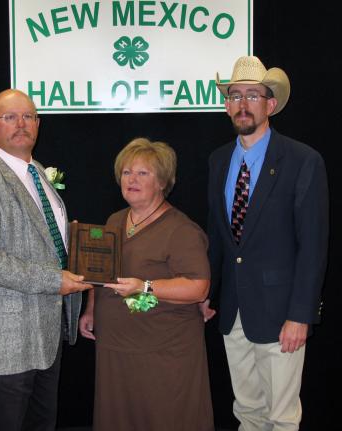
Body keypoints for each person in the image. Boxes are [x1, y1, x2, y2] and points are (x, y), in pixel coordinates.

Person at [201, 56, 329, 430]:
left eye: (253, 95)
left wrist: (301, 315)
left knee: (283, 417)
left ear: (270, 105)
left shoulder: (303, 160)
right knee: (248, 412)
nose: (243, 103)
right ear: (227, 105)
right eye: (235, 95)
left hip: (281, 316)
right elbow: (219, 238)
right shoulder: (218, 161)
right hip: (234, 313)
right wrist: (209, 293)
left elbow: (313, 246)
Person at [0, 89, 93, 431]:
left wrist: (74, 243)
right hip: (5, 342)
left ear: (38, 124)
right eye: (9, 117)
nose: (20, 124)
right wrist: (53, 280)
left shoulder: (40, 174)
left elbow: (43, 241)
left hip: (46, 336)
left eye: (28, 116)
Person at [79, 138, 215, 431]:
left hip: (162, 354)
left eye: (143, 173)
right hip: (116, 350)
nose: (132, 179)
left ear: (163, 181)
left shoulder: (182, 230)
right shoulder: (115, 220)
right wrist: (91, 309)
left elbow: (198, 288)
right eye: (126, 172)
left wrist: (146, 286)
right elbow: (99, 271)